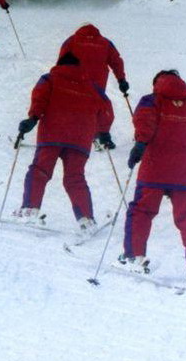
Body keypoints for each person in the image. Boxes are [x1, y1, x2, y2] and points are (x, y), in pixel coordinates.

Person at [118, 69, 186, 282]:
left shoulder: (151, 101)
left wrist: (140, 143)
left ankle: (133, 257)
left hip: (155, 168)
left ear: (157, 83)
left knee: (142, 212)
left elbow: (145, 122)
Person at [14, 52, 115, 234]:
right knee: (75, 178)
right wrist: (102, 132)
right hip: (80, 140)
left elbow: (39, 98)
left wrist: (32, 119)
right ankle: (87, 219)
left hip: (53, 134)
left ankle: (30, 209)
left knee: (40, 171)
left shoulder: (50, 79)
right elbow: (106, 110)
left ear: (60, 64)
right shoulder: (92, 86)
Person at [58, 23, 129, 95]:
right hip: (97, 88)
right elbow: (117, 62)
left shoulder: (71, 41)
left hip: (75, 84)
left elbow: (60, 63)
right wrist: (121, 80)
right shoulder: (106, 43)